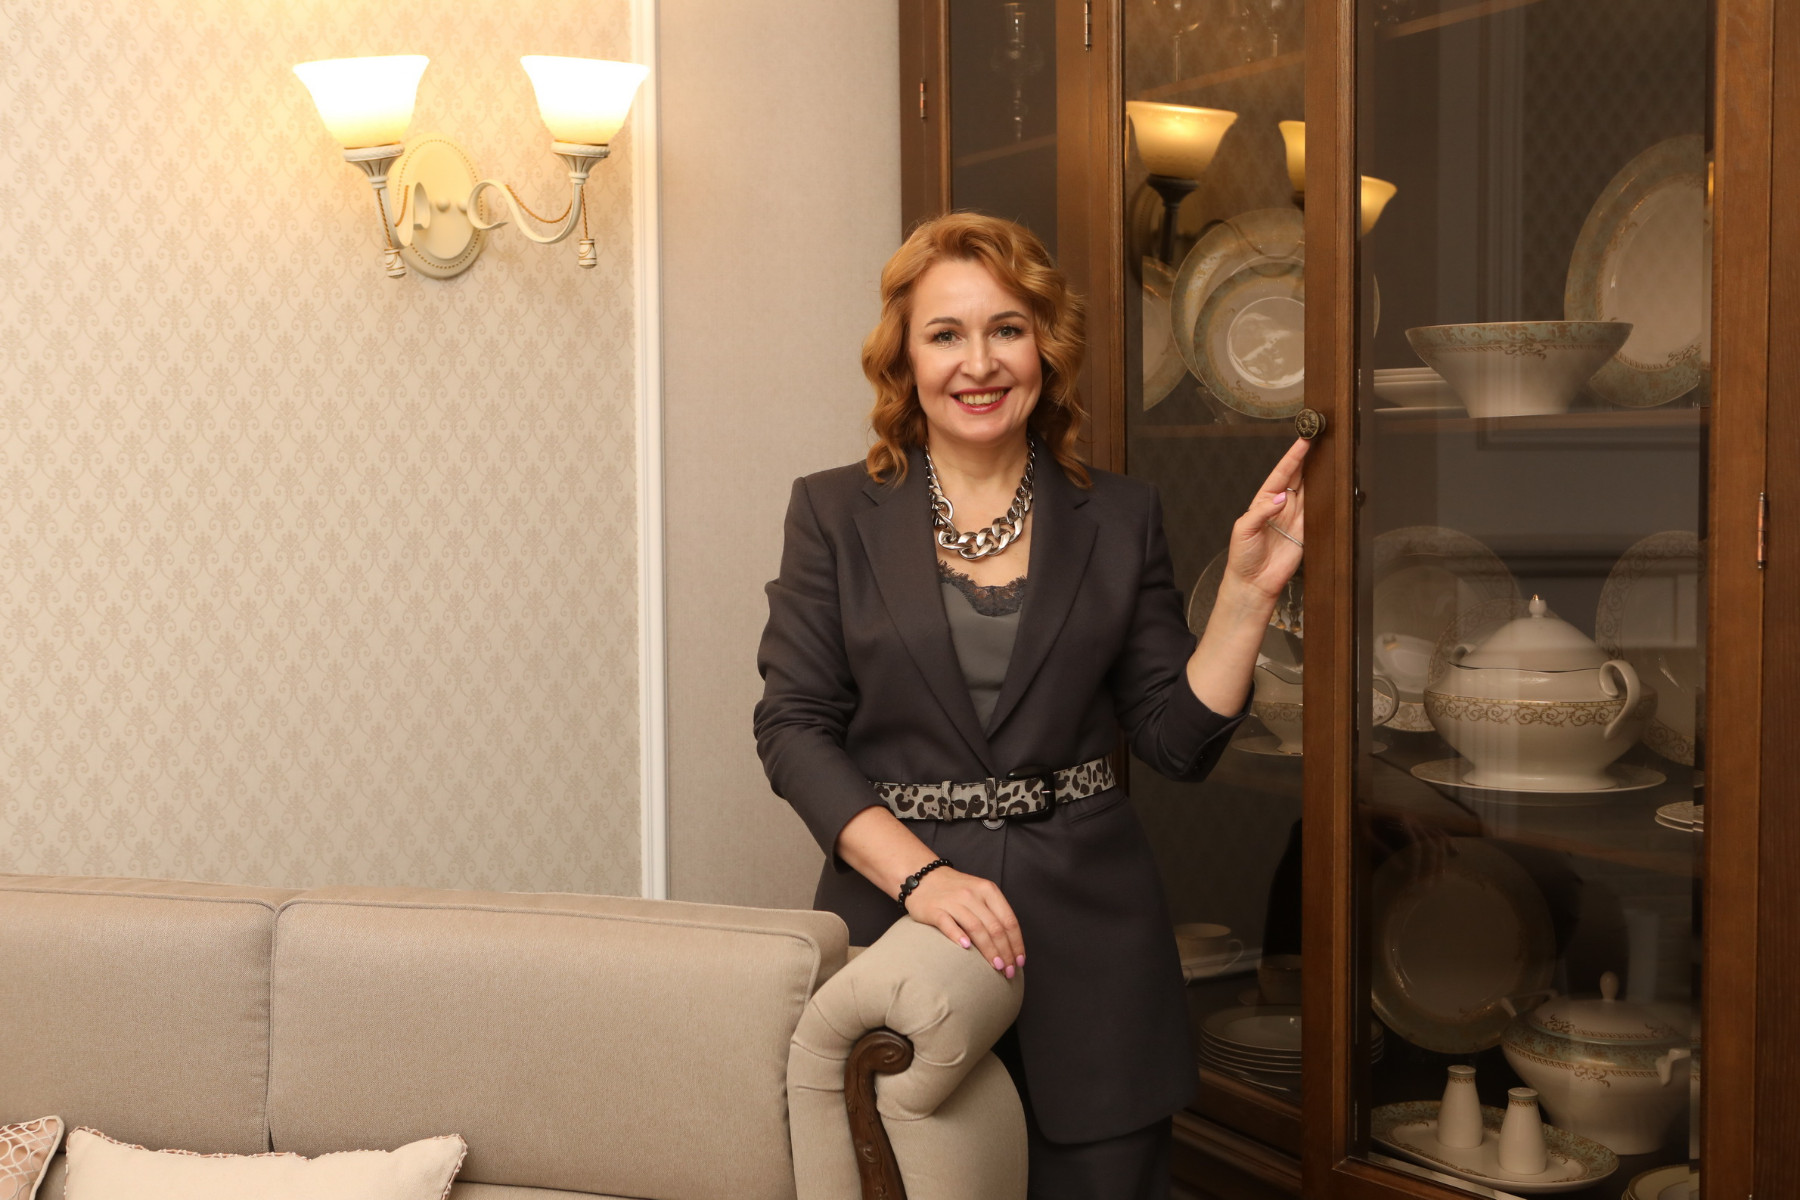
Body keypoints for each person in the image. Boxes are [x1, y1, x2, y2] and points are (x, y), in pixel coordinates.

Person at [754, 212, 1307, 1199]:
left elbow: (1176, 741)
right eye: (946, 334)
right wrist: (924, 879)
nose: (979, 363)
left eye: (1006, 329)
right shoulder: (833, 514)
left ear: (1045, 348)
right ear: (904, 358)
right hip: (899, 941)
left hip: (1093, 953)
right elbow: (793, 727)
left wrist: (1245, 596)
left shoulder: (1122, 516)